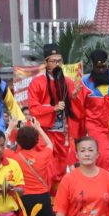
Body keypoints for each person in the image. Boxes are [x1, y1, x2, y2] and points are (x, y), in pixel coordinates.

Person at [28, 44, 81, 178]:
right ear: (45, 63)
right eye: (54, 61)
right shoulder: (37, 82)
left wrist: (74, 96)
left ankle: (57, 197)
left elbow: (76, 107)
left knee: (61, 165)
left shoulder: (67, 81)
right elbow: (33, 108)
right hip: (44, 132)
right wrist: (53, 108)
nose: (57, 64)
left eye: (59, 61)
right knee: (48, 166)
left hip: (61, 132)